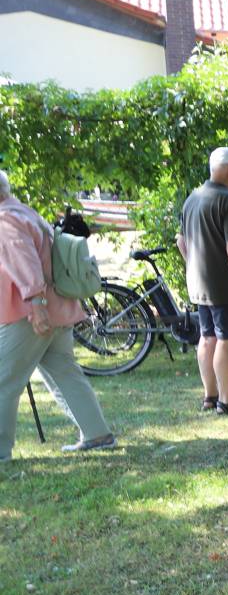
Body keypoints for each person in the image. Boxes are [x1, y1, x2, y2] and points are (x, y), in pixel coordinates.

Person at [0, 172, 115, 459]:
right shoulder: (24, 212)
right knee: (65, 372)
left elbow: (24, 263)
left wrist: (35, 304)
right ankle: (97, 433)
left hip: (30, 313)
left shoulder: (5, 219)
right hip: (58, 306)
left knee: (3, 380)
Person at [177, 146, 228, 415]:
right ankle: (227, 401)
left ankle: (210, 396)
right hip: (225, 285)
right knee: (226, 339)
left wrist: (194, 265)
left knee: (207, 337)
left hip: (199, 284)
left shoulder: (193, 198)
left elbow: (181, 240)